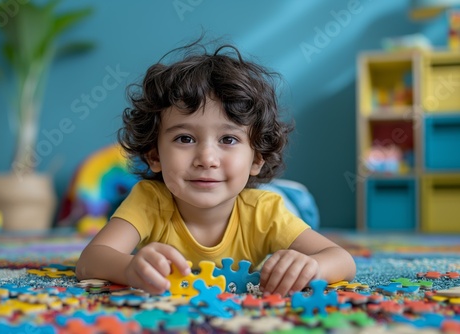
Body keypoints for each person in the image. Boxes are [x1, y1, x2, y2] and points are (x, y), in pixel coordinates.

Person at [75, 40, 356, 296]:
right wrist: (129, 267)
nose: (206, 158)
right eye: (185, 138)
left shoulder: (266, 212)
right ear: (154, 156)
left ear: (257, 158)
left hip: (276, 200)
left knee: (293, 204)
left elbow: (341, 259)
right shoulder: (149, 200)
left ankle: (292, 194)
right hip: (236, 189)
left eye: (228, 139)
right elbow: (91, 260)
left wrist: (311, 266)